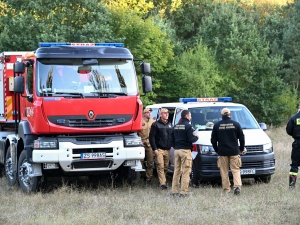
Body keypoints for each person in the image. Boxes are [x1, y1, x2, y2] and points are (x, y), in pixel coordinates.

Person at [211, 108, 245, 195]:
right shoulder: (236, 124)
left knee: (224, 171)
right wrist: (241, 149)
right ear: (230, 114)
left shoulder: (217, 125)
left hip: (222, 152)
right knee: (236, 169)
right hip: (234, 151)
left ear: (221, 115)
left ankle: (226, 189)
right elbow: (241, 138)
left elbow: (213, 140)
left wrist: (217, 150)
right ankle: (237, 187)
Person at [171, 110, 199, 197]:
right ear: (187, 116)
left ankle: (174, 191)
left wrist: (176, 146)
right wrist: (196, 137)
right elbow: (191, 139)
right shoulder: (188, 126)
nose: (191, 117)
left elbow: (171, 140)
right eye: (190, 115)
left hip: (177, 151)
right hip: (185, 151)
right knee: (186, 171)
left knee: (177, 171)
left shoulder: (175, 126)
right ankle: (183, 192)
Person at [149, 108, 173, 190]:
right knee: (160, 166)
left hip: (167, 149)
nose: (167, 114)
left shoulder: (170, 124)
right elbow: (151, 137)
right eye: (165, 113)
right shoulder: (155, 124)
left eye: (167, 113)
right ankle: (162, 184)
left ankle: (163, 180)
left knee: (166, 167)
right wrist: (154, 149)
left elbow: (172, 136)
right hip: (159, 149)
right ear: (161, 114)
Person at [137, 108, 155, 185]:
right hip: (141, 143)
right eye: (147, 113)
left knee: (150, 162)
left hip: (150, 143)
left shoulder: (153, 122)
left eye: (150, 113)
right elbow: (135, 133)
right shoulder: (139, 121)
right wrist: (138, 141)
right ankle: (141, 176)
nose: (149, 114)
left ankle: (148, 179)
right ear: (143, 114)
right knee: (140, 161)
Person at [286, 105, 300, 188]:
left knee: (294, 165)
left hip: (297, 143)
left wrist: (295, 135)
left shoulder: (294, 118)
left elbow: (288, 130)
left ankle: (292, 185)